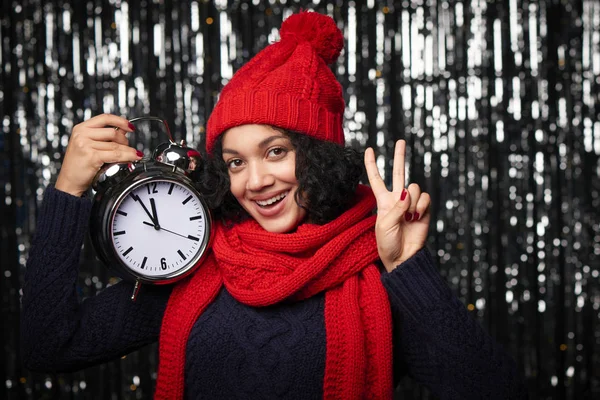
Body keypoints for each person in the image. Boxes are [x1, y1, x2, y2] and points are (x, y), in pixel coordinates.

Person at [21, 11, 526, 400]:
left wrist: (407, 268)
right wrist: (68, 193)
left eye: (276, 151)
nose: (255, 181)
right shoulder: (195, 262)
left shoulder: (380, 271)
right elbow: (50, 346)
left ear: (319, 156)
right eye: (235, 162)